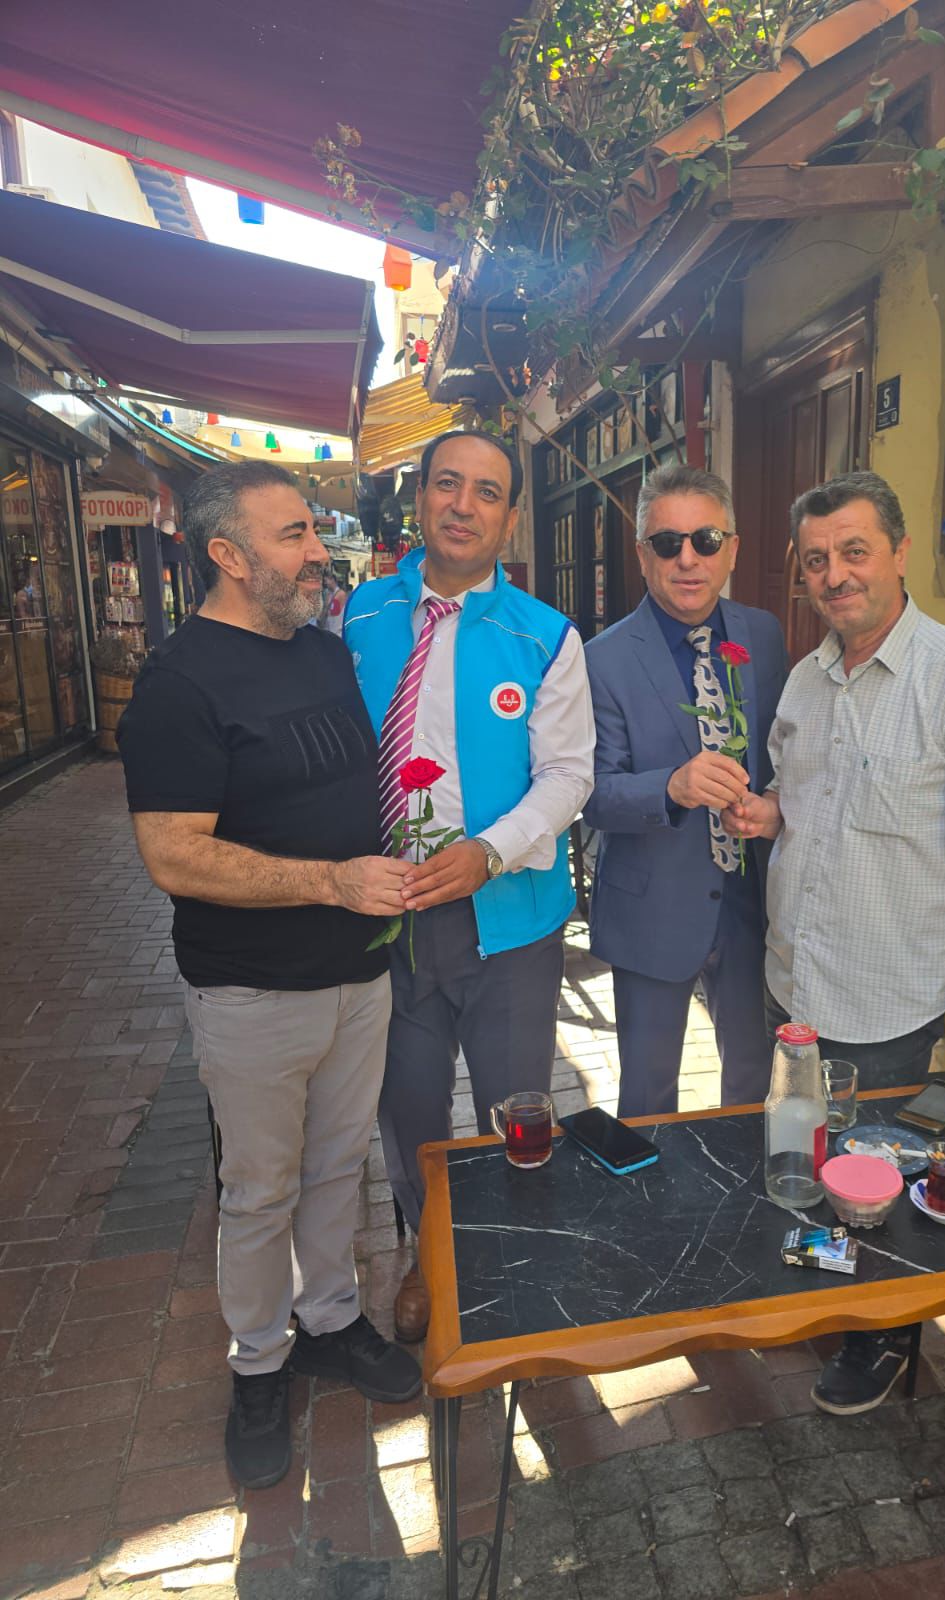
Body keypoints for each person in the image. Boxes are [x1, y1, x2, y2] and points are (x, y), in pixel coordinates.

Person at [118, 461, 421, 1491]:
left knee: (339, 1168)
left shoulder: (324, 654)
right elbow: (174, 855)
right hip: (249, 992)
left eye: (314, 531)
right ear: (228, 555)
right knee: (258, 1191)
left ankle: (329, 1319)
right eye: (294, 534)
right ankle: (258, 1362)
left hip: (358, 975)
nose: (318, 552)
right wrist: (331, 881)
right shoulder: (179, 685)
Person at [725, 470, 945, 1416]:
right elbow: (800, 798)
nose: (835, 574)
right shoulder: (805, 679)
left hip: (887, 995)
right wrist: (764, 811)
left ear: (900, 553)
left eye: (855, 551)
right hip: (794, 978)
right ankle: (825, 1286)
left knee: (874, 1172)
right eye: (816, 560)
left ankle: (882, 1336)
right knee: (805, 1150)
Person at [344, 429, 594, 1343]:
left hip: (510, 923)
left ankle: (512, 1255)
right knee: (409, 1107)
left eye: (487, 491)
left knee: (515, 1105)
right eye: (447, 484)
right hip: (395, 920)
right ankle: (430, 1252)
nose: (463, 505)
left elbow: (569, 776)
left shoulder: (546, 636)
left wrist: (490, 851)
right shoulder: (359, 618)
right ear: (420, 500)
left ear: (511, 517)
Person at [582, 463, 788, 1116]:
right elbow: (591, 797)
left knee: (753, 1089)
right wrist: (670, 786)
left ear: (733, 549)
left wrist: (772, 807)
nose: (688, 559)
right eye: (668, 543)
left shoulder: (764, 635)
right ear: (643, 555)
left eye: (706, 539)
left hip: (752, 904)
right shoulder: (602, 659)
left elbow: (785, 755)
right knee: (648, 1101)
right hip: (652, 910)